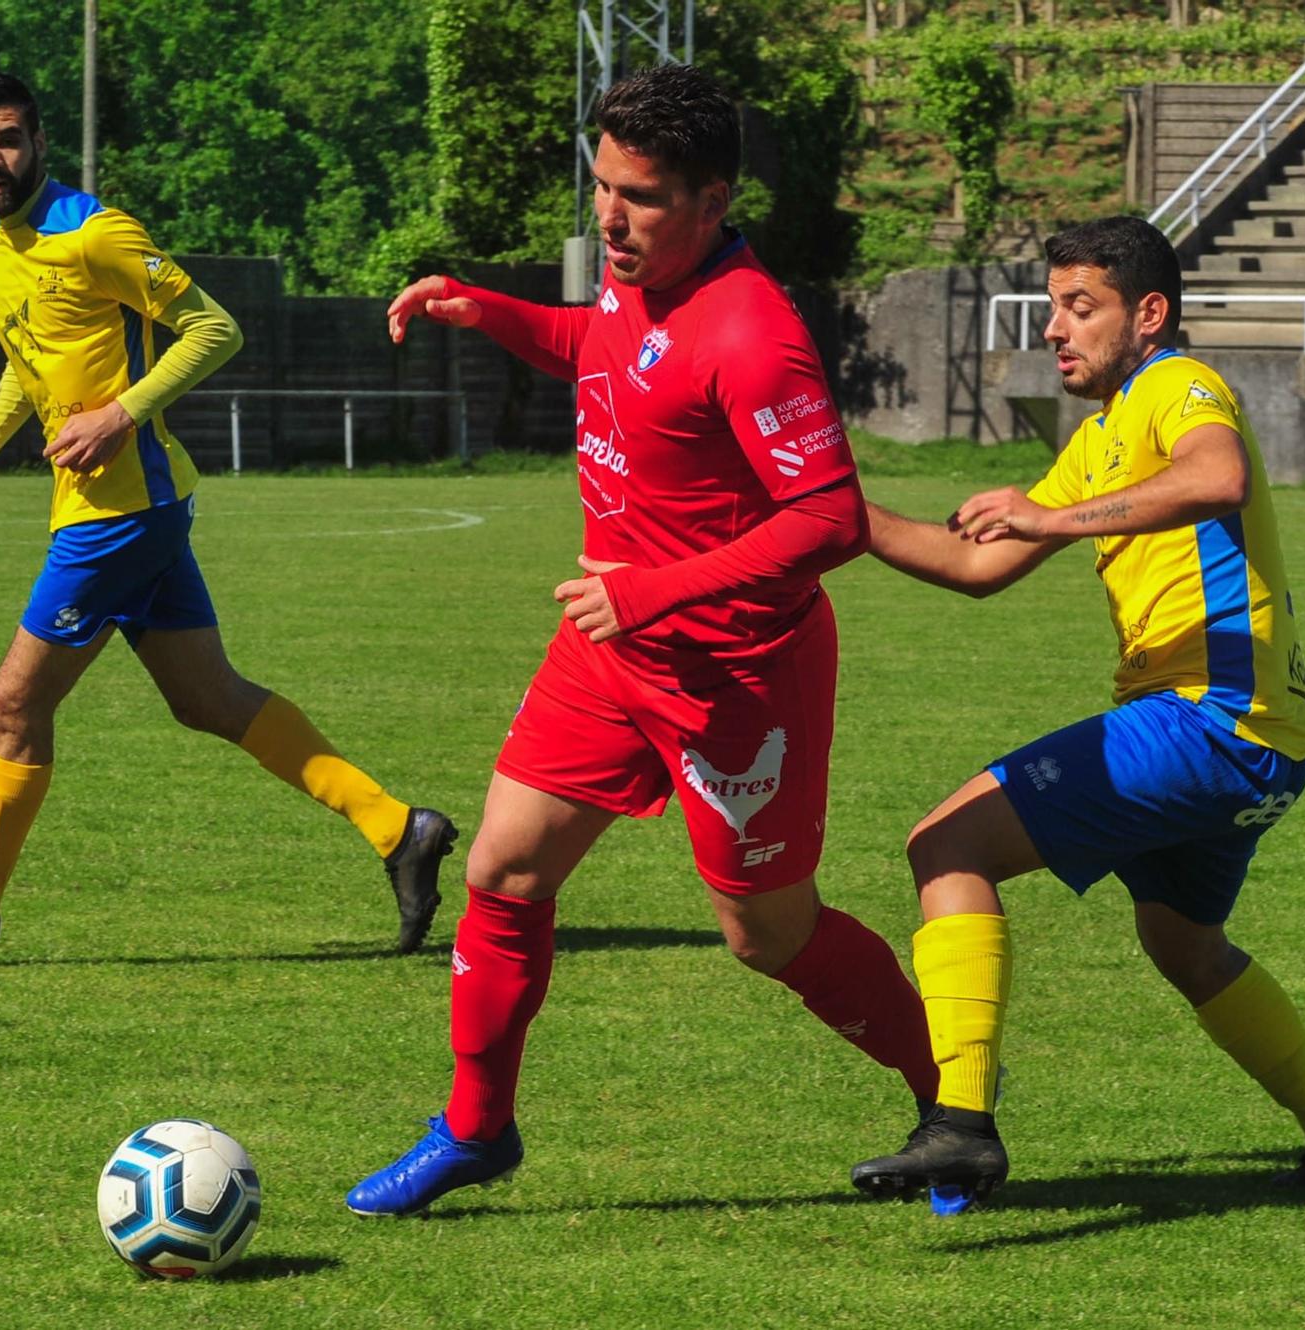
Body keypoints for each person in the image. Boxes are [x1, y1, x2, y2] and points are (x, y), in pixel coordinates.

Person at [342, 64, 940, 1218]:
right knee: (501, 870)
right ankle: (475, 1129)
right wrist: (489, 310)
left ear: (712, 202)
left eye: (642, 196)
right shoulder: (635, 278)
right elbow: (602, 345)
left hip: (735, 676)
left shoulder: (754, 331)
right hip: (611, 649)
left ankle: (949, 1103)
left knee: (767, 935)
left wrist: (659, 589)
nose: (609, 217)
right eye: (601, 185)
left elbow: (828, 517)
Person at [847, 216, 1305, 1207]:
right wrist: (834, 513)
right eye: (1053, 306)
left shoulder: (1172, 386)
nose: (1056, 328)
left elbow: (1214, 473)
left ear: (1148, 314)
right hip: (1256, 738)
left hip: (1207, 714)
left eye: (1079, 307)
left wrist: (1048, 517)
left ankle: (960, 1123)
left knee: (943, 847)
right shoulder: (1099, 438)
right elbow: (978, 564)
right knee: (1182, 944)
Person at [0, 74, 459, 970]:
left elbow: (213, 329)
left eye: (10, 140)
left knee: (12, 705)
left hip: (123, 511)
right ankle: (398, 827)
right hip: (118, 506)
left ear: (40, 141)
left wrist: (120, 415)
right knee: (207, 697)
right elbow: (31, 363)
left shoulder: (97, 233)